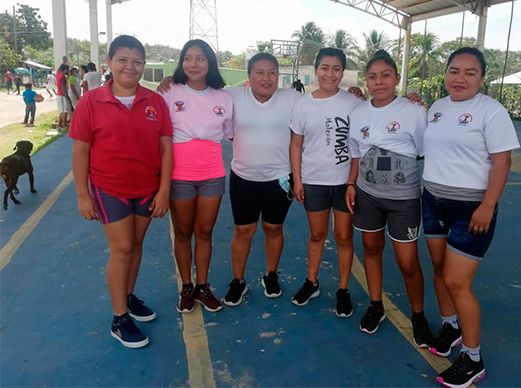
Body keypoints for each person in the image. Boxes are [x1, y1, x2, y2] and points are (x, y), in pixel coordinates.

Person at [158, 52, 300, 307]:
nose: (265, 78)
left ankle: (271, 275)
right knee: (243, 231)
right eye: (259, 72)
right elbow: (200, 89)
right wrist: (171, 80)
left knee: (273, 228)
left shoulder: (292, 98)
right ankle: (238, 281)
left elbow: (323, 103)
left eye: (272, 73)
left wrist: (353, 94)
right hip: (243, 176)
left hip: (279, 178)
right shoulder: (232, 96)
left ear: (279, 76)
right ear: (249, 76)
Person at [421, 47, 520, 387]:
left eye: (470, 72)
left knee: (457, 282)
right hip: (433, 201)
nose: (459, 78)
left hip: (471, 208)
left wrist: (488, 205)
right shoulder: (436, 108)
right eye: (453, 71)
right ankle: (451, 326)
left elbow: (502, 162)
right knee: (439, 270)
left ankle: (473, 358)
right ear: (445, 73)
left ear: (482, 77)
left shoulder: (491, 112)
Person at [69, 35, 173, 349]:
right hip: (109, 188)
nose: (131, 66)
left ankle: (127, 296)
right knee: (123, 248)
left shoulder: (155, 101)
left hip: (146, 189)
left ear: (144, 65)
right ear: (110, 63)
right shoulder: (91, 101)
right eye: (123, 60)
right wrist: (83, 194)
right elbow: (81, 151)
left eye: (137, 61)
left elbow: (166, 149)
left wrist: (164, 190)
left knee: (136, 245)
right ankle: (119, 318)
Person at [346, 50, 430, 342]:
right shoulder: (358, 112)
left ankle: (418, 315)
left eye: (385, 75)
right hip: (367, 195)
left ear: (396, 78)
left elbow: (422, 150)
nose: (378, 82)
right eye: (372, 76)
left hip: (403, 198)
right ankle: (375, 304)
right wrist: (351, 184)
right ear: (365, 81)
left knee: (407, 262)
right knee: (371, 249)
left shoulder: (414, 111)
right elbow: (355, 153)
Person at [160, 39, 233, 313]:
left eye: (200, 58)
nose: (193, 64)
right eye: (188, 58)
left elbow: (233, 131)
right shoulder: (170, 91)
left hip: (212, 175)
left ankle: (203, 286)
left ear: (210, 63)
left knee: (204, 232)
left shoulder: (225, 97)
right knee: (182, 232)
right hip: (179, 175)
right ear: (181, 62)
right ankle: (186, 287)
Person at [289, 48, 362, 317]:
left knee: (344, 237)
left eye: (336, 68)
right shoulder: (302, 104)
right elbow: (296, 145)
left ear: (343, 72)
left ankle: (343, 289)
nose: (330, 74)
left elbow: (358, 146)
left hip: (344, 183)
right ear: (316, 69)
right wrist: (297, 180)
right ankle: (312, 281)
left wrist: (352, 181)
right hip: (314, 181)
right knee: (317, 235)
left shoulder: (354, 103)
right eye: (324, 67)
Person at [55, 64, 71, 129]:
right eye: (67, 70)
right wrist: (67, 97)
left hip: (59, 94)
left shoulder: (58, 74)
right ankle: (64, 126)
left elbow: (59, 68)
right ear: (65, 70)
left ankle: (59, 125)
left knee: (62, 111)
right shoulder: (63, 77)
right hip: (63, 95)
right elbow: (63, 88)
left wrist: (64, 62)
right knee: (65, 111)